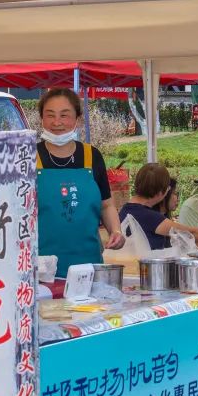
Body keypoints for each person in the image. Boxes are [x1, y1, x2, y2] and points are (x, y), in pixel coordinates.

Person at [36, 88, 124, 275]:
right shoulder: (29, 156)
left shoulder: (91, 155)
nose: (57, 122)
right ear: (41, 119)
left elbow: (106, 205)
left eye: (64, 115)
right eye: (50, 115)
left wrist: (116, 231)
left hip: (88, 264)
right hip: (41, 267)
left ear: (77, 119)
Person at [118, 164, 198, 250]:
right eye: (168, 189)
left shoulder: (125, 209)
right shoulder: (149, 217)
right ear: (161, 191)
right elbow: (192, 233)